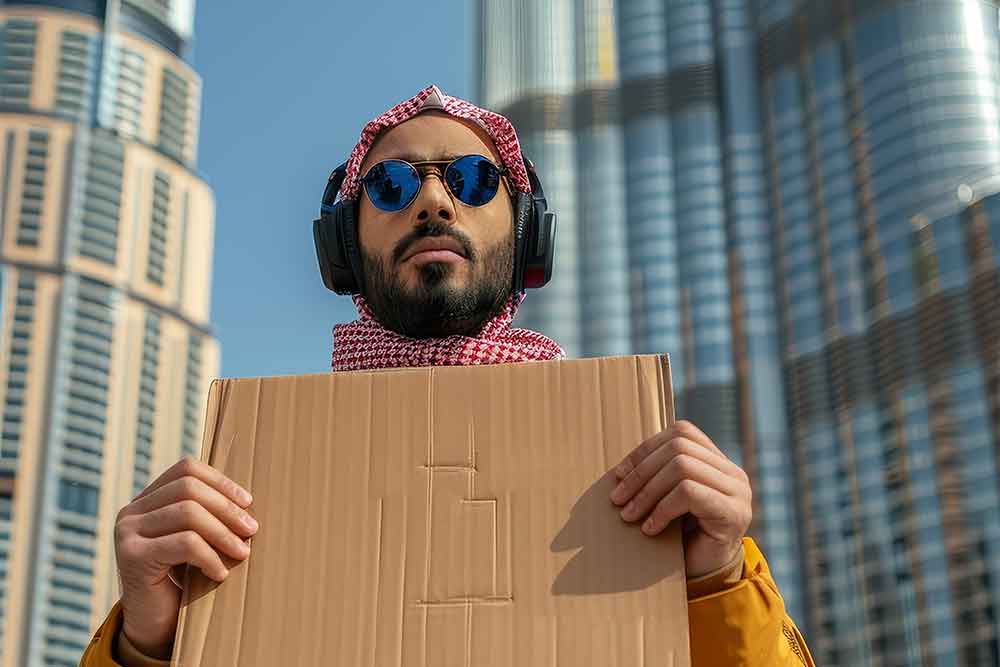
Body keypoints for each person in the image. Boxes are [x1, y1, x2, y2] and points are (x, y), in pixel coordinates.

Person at [80, 85, 815, 667]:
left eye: (471, 178)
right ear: (343, 244)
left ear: (526, 229)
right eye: (392, 187)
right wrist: (145, 643)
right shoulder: (244, 494)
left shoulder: (648, 486)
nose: (434, 201)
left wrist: (717, 578)